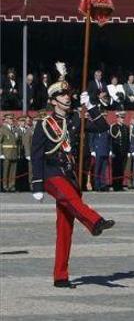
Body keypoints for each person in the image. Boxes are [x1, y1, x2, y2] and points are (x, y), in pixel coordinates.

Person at [30, 83, 115, 287]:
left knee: (65, 228)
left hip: (70, 174)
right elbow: (36, 154)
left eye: (68, 94)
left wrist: (92, 106)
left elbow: (103, 127)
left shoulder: (75, 119)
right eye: (61, 95)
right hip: (52, 174)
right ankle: (95, 222)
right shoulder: (44, 124)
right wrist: (37, 185)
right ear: (52, 101)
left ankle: (60, 276)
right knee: (70, 198)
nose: (67, 97)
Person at [109, 111, 130, 191]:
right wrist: (111, 150)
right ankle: (115, 186)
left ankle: (120, 185)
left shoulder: (125, 127)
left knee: (122, 169)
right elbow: (111, 140)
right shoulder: (114, 127)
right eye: (121, 118)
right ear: (117, 118)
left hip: (123, 152)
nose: (122, 119)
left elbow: (127, 140)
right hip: (116, 152)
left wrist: (128, 151)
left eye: (123, 118)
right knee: (116, 169)